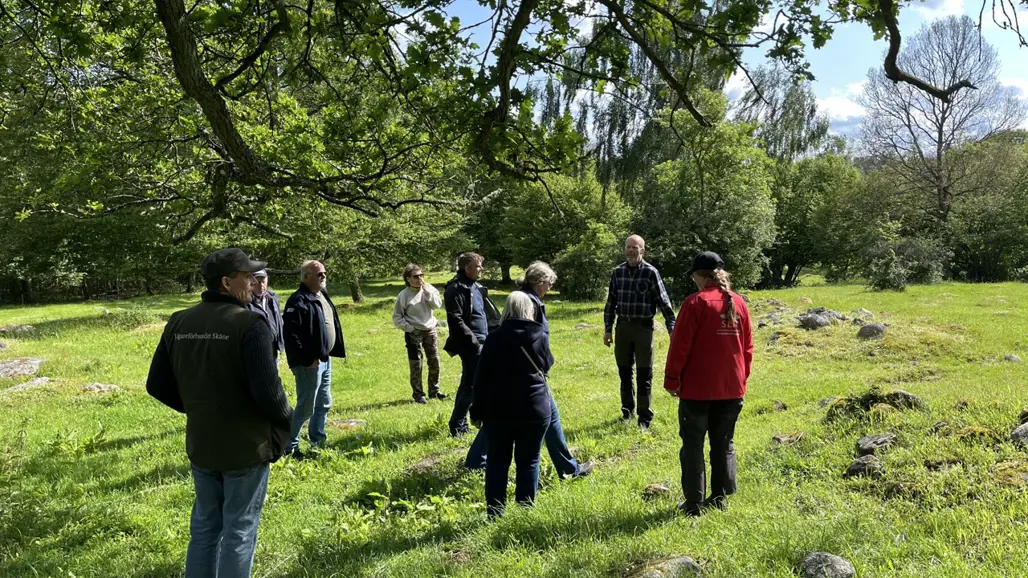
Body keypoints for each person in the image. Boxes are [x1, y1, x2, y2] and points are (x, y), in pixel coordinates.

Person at [145, 248, 293, 578]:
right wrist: (286, 424)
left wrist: (200, 409)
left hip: (203, 443)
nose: (255, 283)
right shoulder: (250, 324)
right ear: (226, 282)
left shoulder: (180, 321)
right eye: (247, 277)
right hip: (246, 447)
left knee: (205, 528)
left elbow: (157, 384)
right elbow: (269, 394)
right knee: (239, 530)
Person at [465, 261, 594, 478]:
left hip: (522, 377)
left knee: (518, 416)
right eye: (549, 283)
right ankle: (568, 469)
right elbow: (529, 342)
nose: (550, 288)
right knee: (528, 418)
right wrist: (541, 366)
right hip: (528, 377)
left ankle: (567, 467)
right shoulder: (528, 303)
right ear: (539, 282)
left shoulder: (529, 299)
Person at [663, 252, 753, 517]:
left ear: (700, 276)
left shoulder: (694, 303)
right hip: (731, 388)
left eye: (693, 277)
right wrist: (741, 379)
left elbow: (679, 347)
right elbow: (747, 349)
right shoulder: (739, 303)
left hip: (697, 390)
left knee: (692, 444)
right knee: (724, 443)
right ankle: (721, 497)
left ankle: (694, 503)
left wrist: (672, 380)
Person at [469, 291, 552, 518]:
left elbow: (481, 378)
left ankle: (495, 512)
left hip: (499, 408)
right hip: (534, 406)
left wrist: (476, 411)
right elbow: (547, 365)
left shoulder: (494, 338)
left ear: (506, 309)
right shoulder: (540, 334)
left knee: (497, 460)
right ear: (530, 309)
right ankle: (525, 510)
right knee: (529, 460)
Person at [603, 234, 677, 431]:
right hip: (623, 327)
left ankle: (645, 418)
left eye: (635, 247)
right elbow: (611, 302)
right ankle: (627, 411)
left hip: (644, 328)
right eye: (628, 247)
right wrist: (608, 329)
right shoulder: (617, 272)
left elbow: (664, 303)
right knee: (624, 372)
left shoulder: (651, 273)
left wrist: (673, 330)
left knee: (644, 374)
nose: (630, 250)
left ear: (642, 250)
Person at [282, 260, 346, 459]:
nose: (323, 277)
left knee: (324, 402)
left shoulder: (321, 295)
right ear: (306, 276)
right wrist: (307, 359)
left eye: (324, 273)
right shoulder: (298, 300)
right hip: (309, 363)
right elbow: (291, 335)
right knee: (306, 406)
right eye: (319, 274)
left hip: (324, 360)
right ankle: (289, 448)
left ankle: (317, 441)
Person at [444, 252, 489, 438]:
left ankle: (459, 422)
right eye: (478, 266)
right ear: (467, 268)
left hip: (483, 341)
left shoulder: (475, 287)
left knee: (468, 384)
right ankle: (458, 425)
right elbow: (456, 319)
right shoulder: (455, 289)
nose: (481, 269)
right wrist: (474, 342)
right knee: (472, 386)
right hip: (471, 344)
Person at [392, 263, 447, 404]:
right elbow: (397, 317)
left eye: (421, 275)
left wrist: (427, 291)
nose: (419, 279)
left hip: (430, 330)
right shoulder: (403, 295)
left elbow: (437, 305)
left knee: (434, 361)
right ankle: (418, 394)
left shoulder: (429, 289)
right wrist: (410, 329)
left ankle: (434, 391)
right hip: (414, 332)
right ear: (408, 279)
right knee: (416, 364)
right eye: (416, 276)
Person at [248, 269, 285, 359]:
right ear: (251, 282)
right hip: (257, 351)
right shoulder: (246, 301)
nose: (261, 285)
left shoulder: (272, 297)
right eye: (258, 282)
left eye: (263, 282)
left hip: (273, 348)